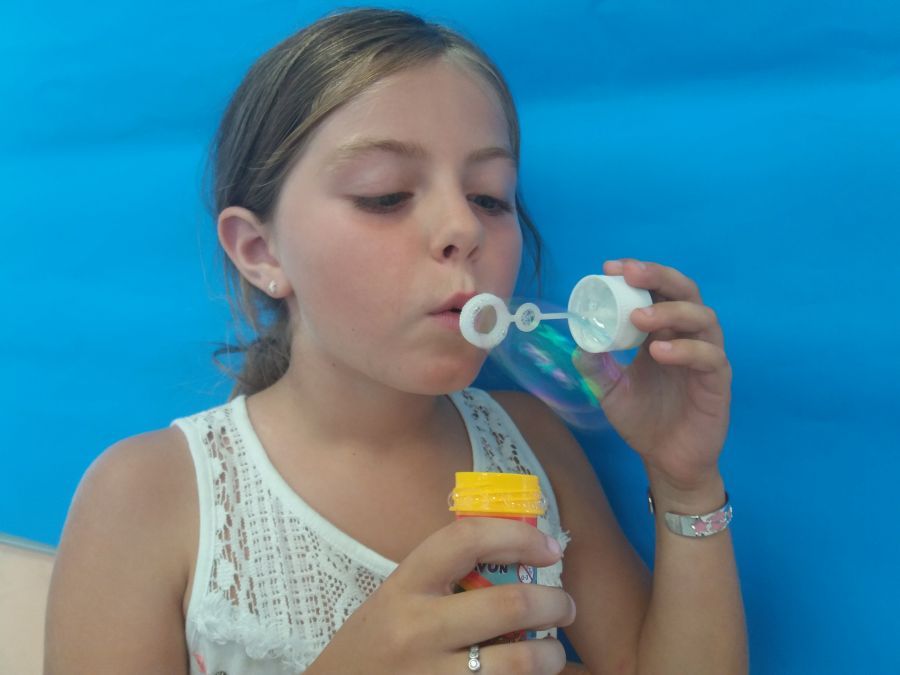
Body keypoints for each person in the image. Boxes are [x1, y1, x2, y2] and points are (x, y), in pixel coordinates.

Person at [44, 7, 747, 674]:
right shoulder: (147, 495)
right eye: (385, 195)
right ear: (260, 250)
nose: (463, 228)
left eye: (490, 196)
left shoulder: (535, 443)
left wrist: (684, 483)